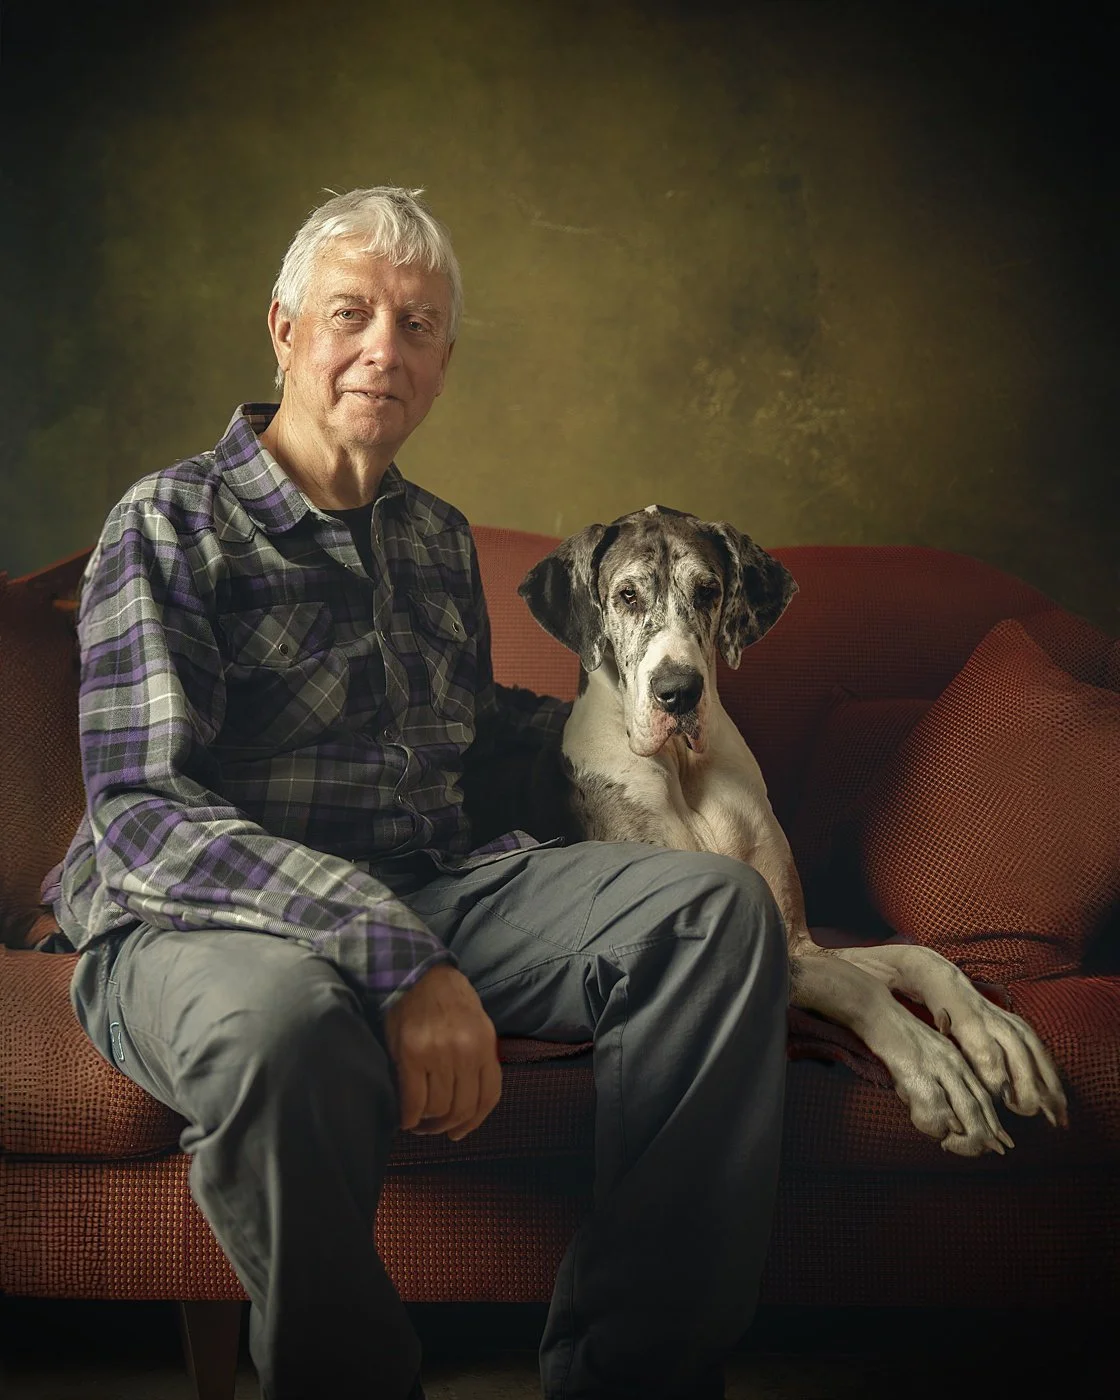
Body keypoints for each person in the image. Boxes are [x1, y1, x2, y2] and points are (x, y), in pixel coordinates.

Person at [54, 186, 790, 1400]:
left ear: (443, 360)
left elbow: (466, 727)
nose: (382, 349)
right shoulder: (170, 522)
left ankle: (632, 1372)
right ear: (285, 329)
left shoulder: (435, 540)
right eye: (351, 313)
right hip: (205, 923)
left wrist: (635, 719)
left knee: (715, 915)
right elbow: (142, 809)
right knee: (286, 1023)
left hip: (436, 878)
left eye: (418, 324)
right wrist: (394, 953)